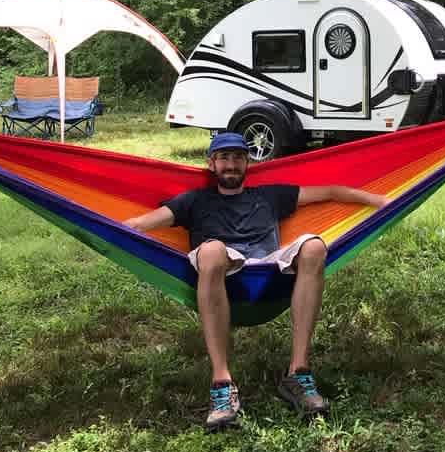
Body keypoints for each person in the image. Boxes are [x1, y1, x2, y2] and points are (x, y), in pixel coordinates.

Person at [123, 131, 388, 430]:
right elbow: (143, 223)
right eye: (224, 158)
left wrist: (380, 201)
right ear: (212, 164)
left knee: (314, 246)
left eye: (238, 158)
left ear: (248, 163)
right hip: (220, 265)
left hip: (268, 268)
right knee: (211, 251)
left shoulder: (270, 195)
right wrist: (108, 228)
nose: (231, 164)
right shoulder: (193, 201)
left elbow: (329, 192)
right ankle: (222, 383)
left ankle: (298, 373)